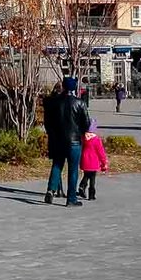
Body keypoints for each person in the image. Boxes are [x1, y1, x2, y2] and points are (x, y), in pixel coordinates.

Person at [43, 76, 90, 207]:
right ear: (74, 88)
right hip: (74, 141)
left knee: (57, 165)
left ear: (63, 86)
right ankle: (71, 198)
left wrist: (52, 134)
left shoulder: (55, 102)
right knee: (73, 169)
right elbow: (86, 124)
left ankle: (50, 190)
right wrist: (80, 131)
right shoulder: (79, 103)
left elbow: (48, 122)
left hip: (58, 140)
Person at [78, 129, 109, 201]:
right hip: (93, 161)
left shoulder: (83, 138)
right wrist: (104, 163)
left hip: (85, 160)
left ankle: (82, 186)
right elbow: (101, 153)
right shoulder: (96, 140)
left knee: (86, 175)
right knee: (92, 178)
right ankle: (91, 195)